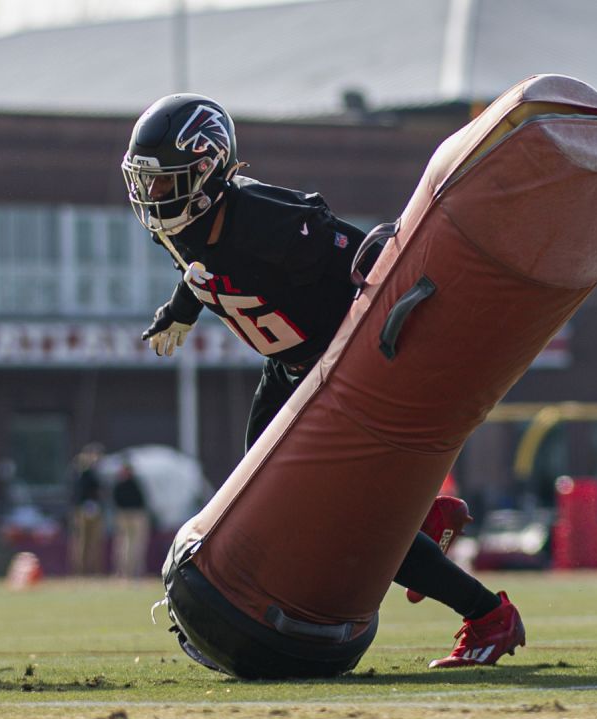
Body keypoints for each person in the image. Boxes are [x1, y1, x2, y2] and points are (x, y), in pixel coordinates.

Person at [121, 93, 524, 669]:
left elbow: (372, 262)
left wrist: (385, 362)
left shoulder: (269, 220)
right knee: (260, 509)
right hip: (287, 373)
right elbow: (199, 266)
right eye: (147, 182)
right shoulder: (182, 223)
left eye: (165, 182)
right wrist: (182, 308)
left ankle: (489, 615)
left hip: (339, 375)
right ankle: (422, 519)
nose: (151, 197)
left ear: (207, 171)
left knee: (343, 530)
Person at [66, 443, 106, 575]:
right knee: (82, 541)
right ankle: (81, 570)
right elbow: (81, 491)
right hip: (83, 509)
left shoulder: (93, 471)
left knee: (93, 541)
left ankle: (92, 569)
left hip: (91, 508)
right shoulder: (82, 472)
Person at [110, 460, 150, 579]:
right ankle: (129, 572)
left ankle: (129, 572)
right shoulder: (133, 483)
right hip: (133, 515)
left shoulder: (120, 484)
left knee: (127, 544)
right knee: (129, 544)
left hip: (125, 515)